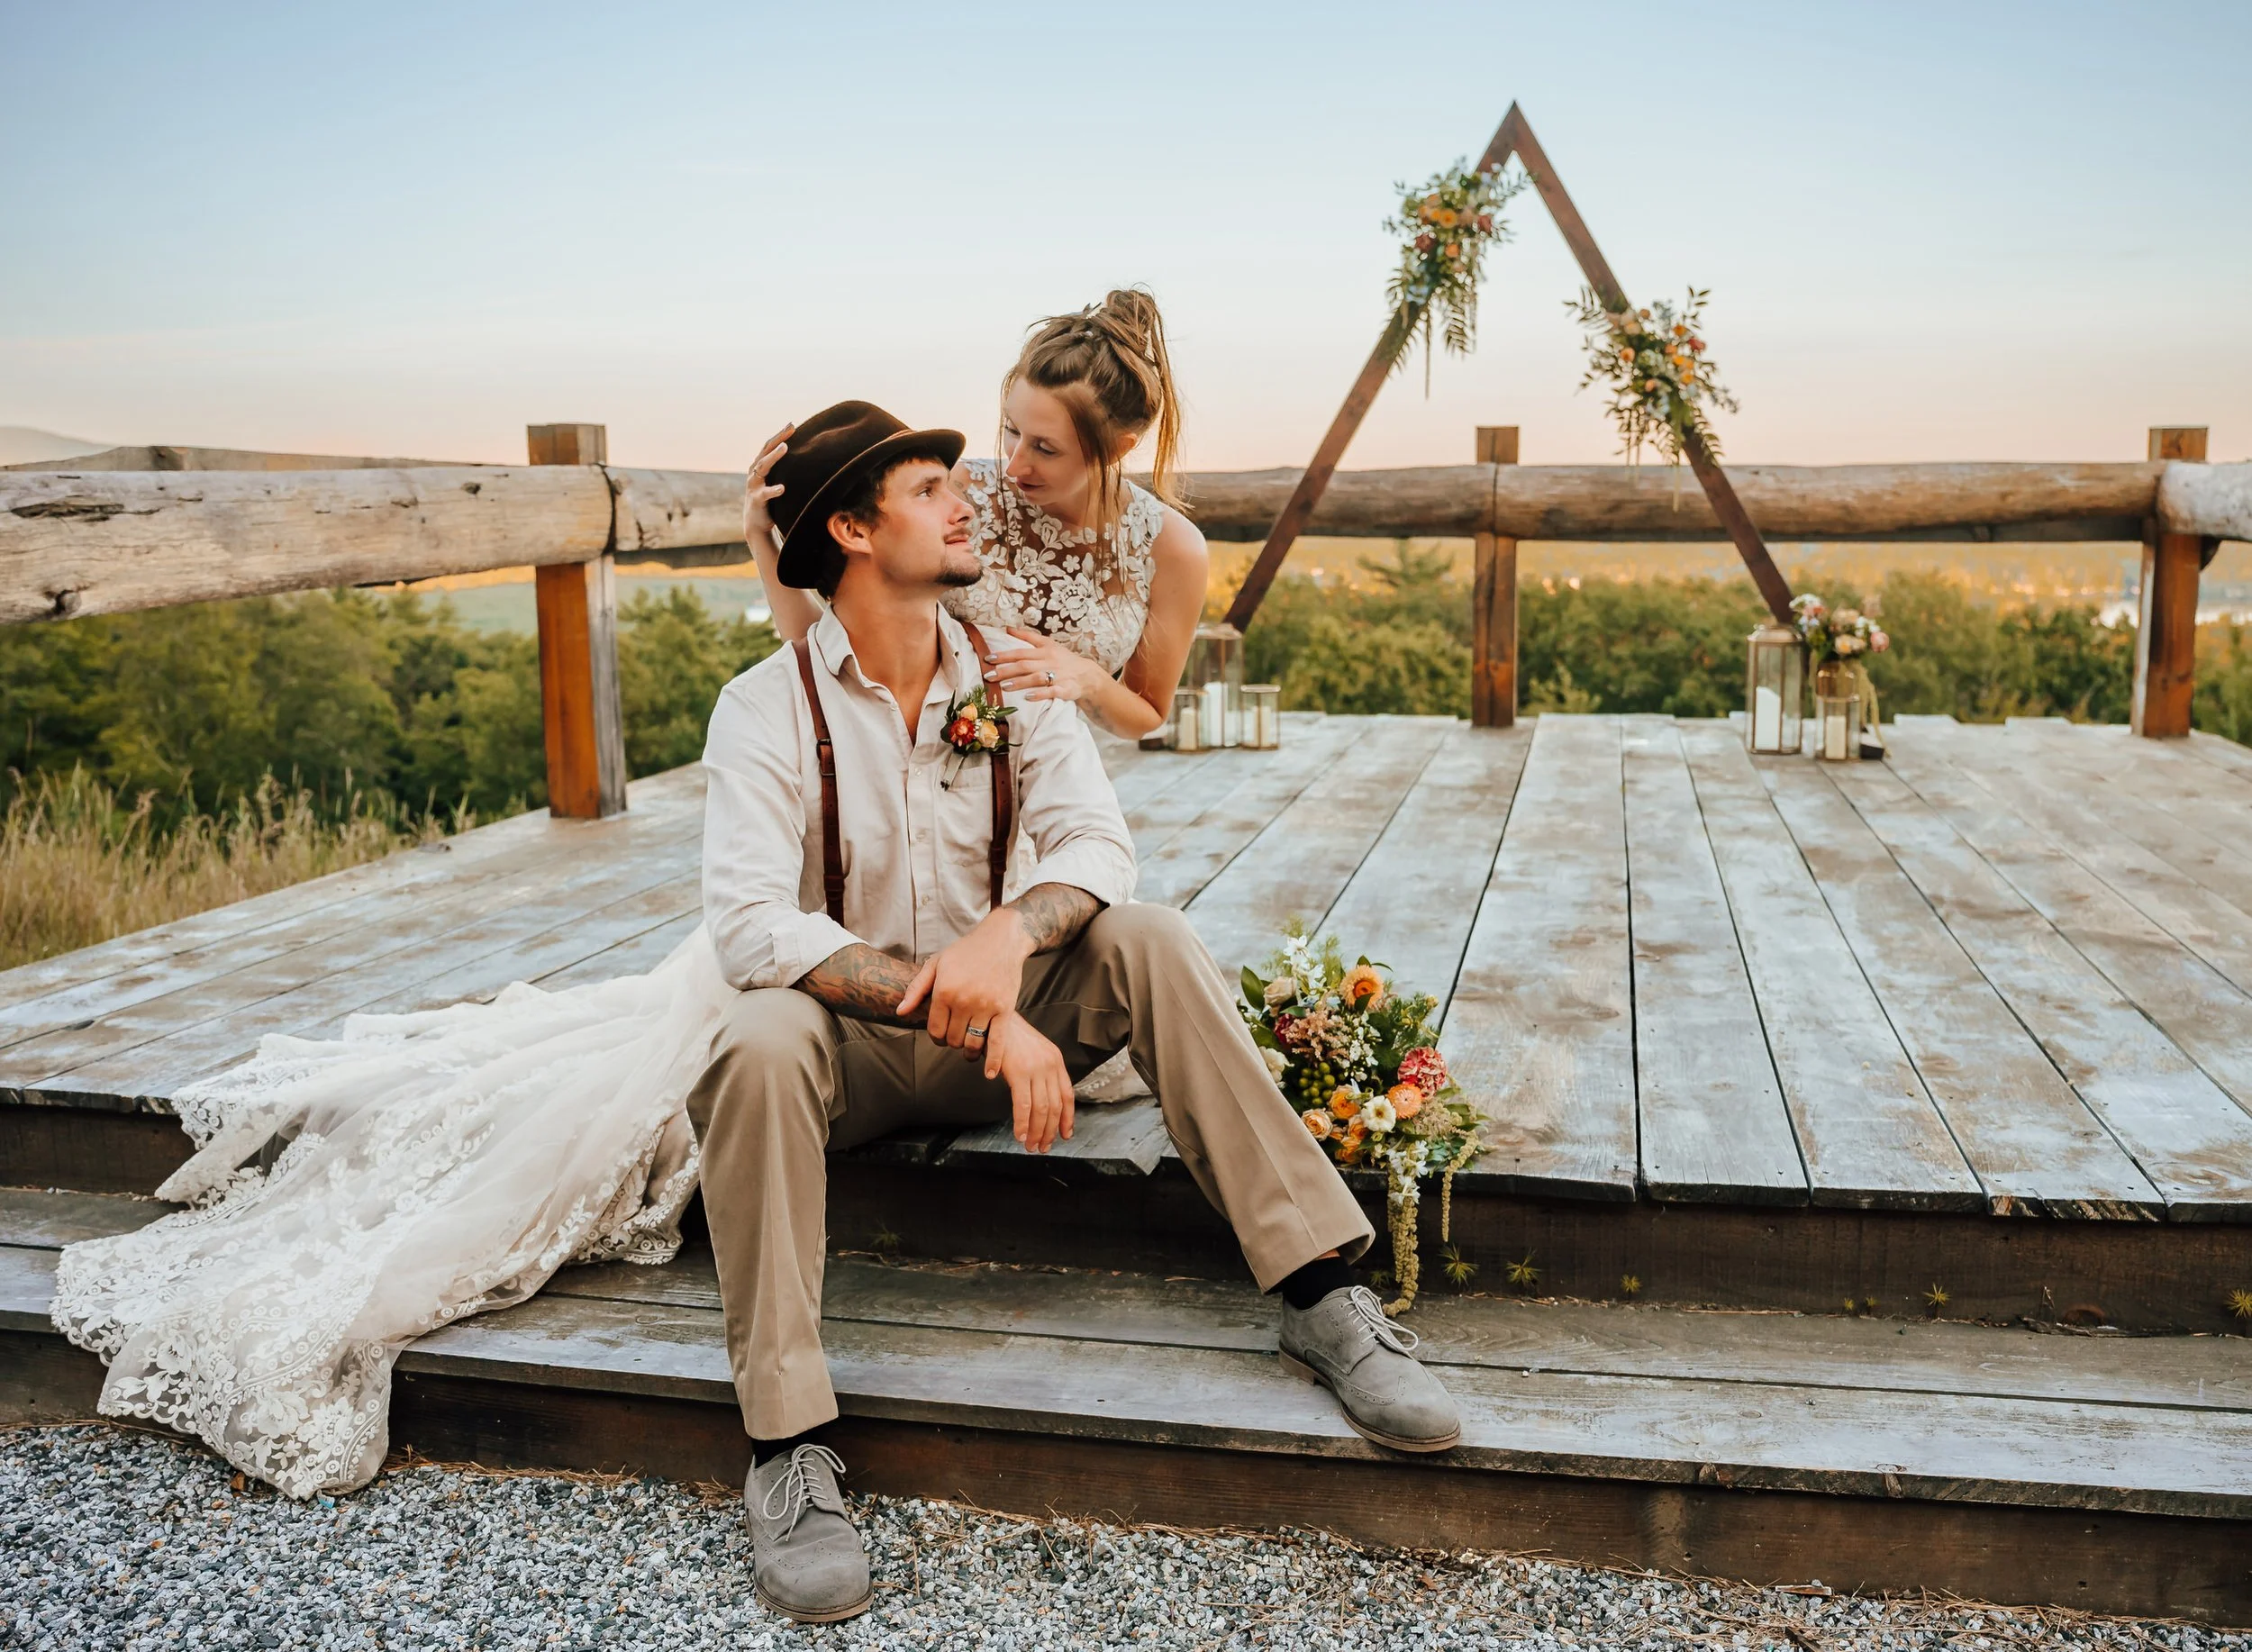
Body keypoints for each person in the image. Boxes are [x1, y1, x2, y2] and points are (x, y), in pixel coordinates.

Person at [696, 400, 1463, 1624]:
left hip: (1012, 1027)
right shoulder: (764, 706)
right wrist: (975, 1012)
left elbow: (1100, 846)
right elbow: (749, 926)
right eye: (928, 488)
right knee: (755, 1032)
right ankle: (788, 1446)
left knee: (1149, 936)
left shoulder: (1010, 673)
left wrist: (1004, 942)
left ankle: (1321, 1296)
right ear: (851, 530)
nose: (968, 498)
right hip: (851, 1064)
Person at [745, 290, 1206, 741]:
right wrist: (761, 539)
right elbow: (831, 650)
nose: (1016, 464)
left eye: (1046, 448)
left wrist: (1088, 679)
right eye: (1011, 430)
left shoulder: (1172, 548)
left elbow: (1146, 715)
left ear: (1116, 449)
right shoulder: (955, 494)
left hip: (1060, 769)